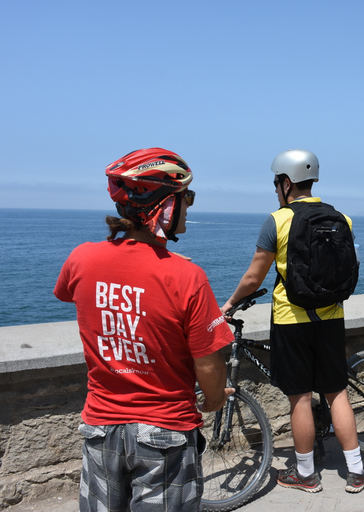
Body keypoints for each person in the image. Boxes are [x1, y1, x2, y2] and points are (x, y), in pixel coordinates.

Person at [54, 148, 235, 511]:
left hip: (100, 428)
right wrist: (214, 401)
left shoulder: (81, 259)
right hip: (165, 429)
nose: (190, 206)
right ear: (166, 206)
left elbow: (72, 293)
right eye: (188, 198)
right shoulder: (188, 277)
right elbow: (208, 363)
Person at [220, 149, 364, 494]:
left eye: (276, 183)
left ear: (286, 182)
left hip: (291, 319)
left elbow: (253, 277)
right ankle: (356, 470)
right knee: (336, 393)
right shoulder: (342, 219)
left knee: (300, 399)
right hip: (331, 317)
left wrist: (229, 304)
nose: (275, 190)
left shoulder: (276, 221)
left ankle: (306, 473)